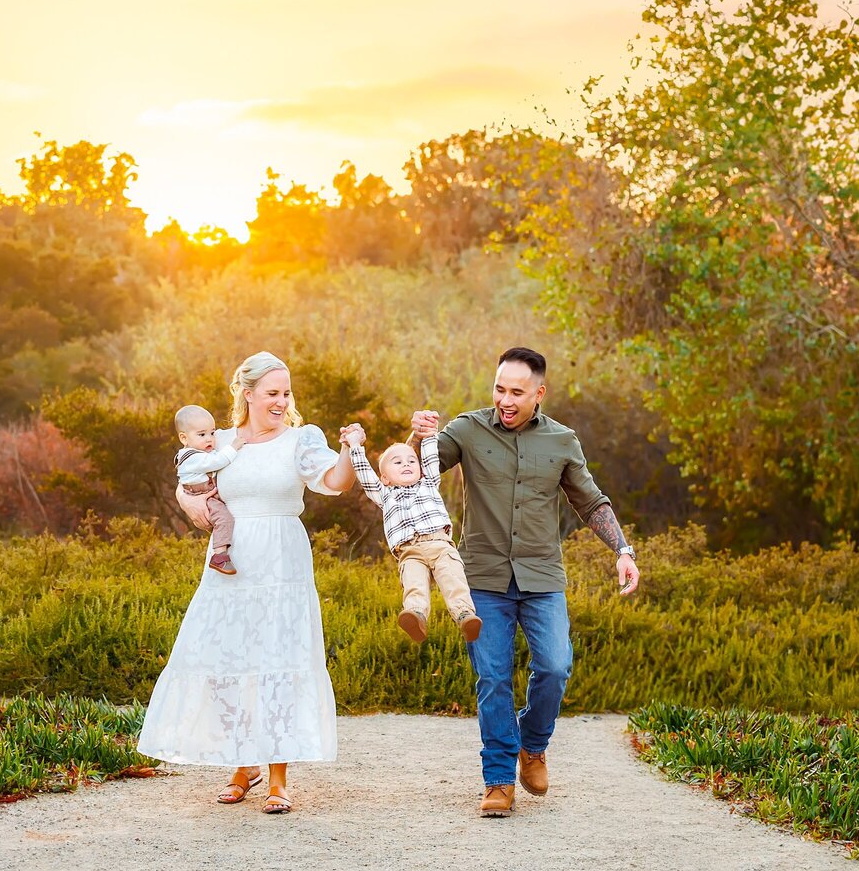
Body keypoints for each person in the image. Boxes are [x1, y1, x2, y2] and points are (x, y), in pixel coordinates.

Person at [411, 346, 640, 818]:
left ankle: (532, 746)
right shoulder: (468, 430)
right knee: (492, 678)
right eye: (499, 389)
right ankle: (498, 780)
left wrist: (623, 550)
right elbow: (411, 474)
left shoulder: (561, 440)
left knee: (555, 667)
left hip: (541, 576)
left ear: (540, 392)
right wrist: (418, 438)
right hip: (484, 577)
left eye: (517, 391)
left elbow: (591, 502)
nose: (505, 400)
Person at [138, 352, 359, 815]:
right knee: (227, 661)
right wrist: (187, 503)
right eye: (272, 393)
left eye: (286, 393)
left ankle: (278, 777)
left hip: (282, 561)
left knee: (278, 660)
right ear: (248, 393)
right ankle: (244, 765)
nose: (281, 401)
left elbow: (336, 483)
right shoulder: (218, 440)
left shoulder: (301, 439)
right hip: (231, 562)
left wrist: (349, 451)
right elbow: (185, 478)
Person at [344, 427, 482, 644]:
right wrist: (354, 446)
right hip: (410, 552)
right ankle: (415, 616)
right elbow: (364, 474)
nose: (406, 464)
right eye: (397, 462)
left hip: (440, 545)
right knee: (414, 584)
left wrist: (428, 434)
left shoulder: (429, 483)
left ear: (420, 468)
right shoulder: (385, 494)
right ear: (385, 478)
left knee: (453, 578)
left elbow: (430, 458)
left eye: (411, 461)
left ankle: (465, 616)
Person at [173, 404, 243, 575]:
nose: (210, 439)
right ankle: (219, 557)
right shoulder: (192, 458)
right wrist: (234, 447)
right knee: (224, 519)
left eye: (212, 433)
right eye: (202, 434)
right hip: (201, 493)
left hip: (205, 490)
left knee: (222, 520)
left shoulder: (198, 451)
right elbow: (217, 461)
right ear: (184, 438)